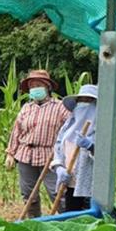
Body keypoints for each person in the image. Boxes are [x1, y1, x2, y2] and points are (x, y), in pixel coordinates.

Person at [6, 69, 70, 218]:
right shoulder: (26, 108)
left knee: (58, 192)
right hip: (25, 155)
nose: (35, 88)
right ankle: (35, 223)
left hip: (50, 156)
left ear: (47, 87)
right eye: (32, 86)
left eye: (38, 85)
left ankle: (67, 221)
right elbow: (17, 132)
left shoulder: (60, 107)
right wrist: (10, 153)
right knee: (29, 195)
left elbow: (70, 129)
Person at [52, 84, 98, 213]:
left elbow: (106, 158)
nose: (83, 104)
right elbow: (58, 147)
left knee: (88, 217)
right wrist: (58, 167)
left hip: (89, 187)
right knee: (71, 215)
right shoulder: (68, 127)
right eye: (80, 101)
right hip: (70, 183)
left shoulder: (101, 130)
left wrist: (91, 146)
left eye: (88, 101)